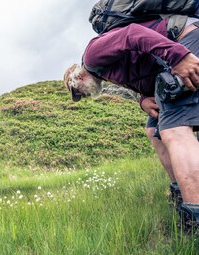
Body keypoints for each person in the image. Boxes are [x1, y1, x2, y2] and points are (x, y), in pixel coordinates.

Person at [64, 16, 199, 233]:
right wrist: (143, 100)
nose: (85, 96)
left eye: (79, 93)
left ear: (77, 79)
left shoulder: (92, 56)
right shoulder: (105, 73)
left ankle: (195, 221)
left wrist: (179, 57)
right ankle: (181, 194)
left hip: (184, 43)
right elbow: (140, 75)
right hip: (169, 61)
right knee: (153, 130)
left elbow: (133, 34)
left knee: (173, 129)